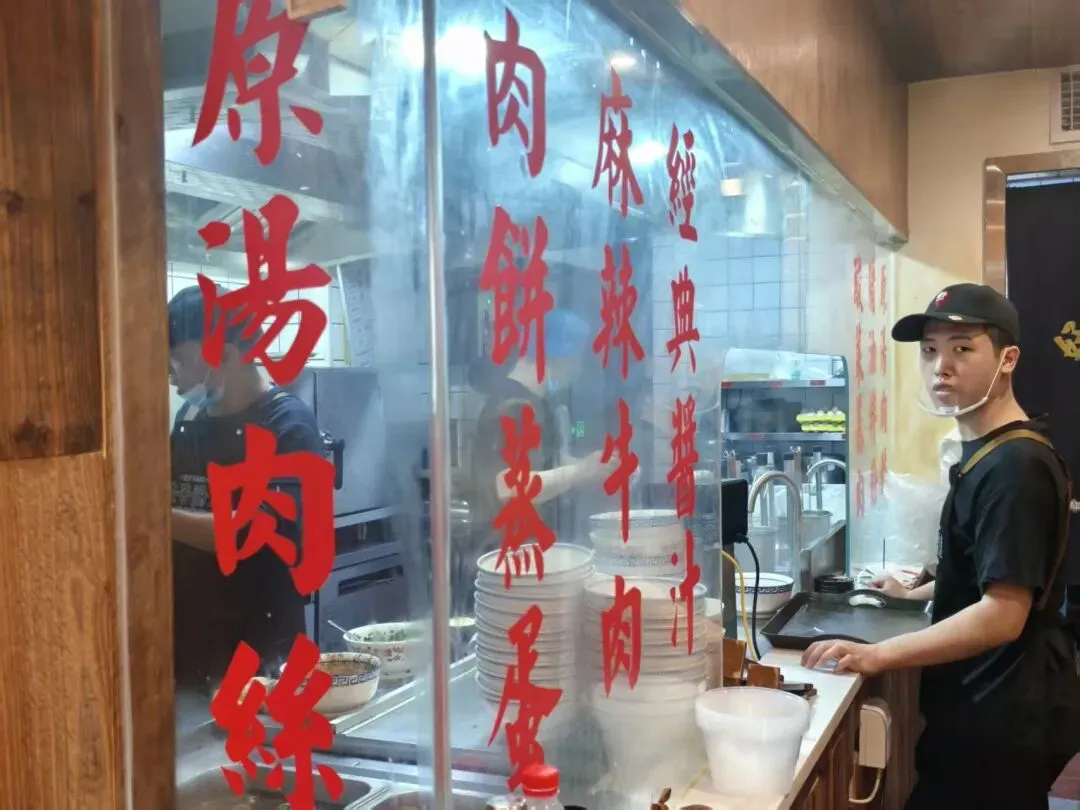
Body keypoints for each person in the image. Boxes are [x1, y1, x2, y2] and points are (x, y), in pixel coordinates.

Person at [802, 283, 1080, 809]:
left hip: (1001, 718)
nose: (940, 368)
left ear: (1008, 359)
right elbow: (990, 570)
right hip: (984, 709)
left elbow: (1003, 614)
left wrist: (877, 654)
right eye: (930, 350)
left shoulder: (1014, 467)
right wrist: (917, 593)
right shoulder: (990, 452)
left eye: (962, 348)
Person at [169, 284, 323, 692]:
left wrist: (151, 520)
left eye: (178, 363)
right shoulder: (188, 420)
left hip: (263, 659)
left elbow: (249, 532)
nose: (172, 378)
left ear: (224, 355)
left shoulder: (288, 426)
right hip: (192, 653)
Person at [460, 308, 612, 610]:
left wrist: (597, 468)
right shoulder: (513, 406)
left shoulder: (536, 403)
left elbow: (546, 465)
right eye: (577, 359)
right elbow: (509, 486)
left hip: (527, 557)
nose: (578, 370)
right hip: (505, 562)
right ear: (557, 357)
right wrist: (579, 472)